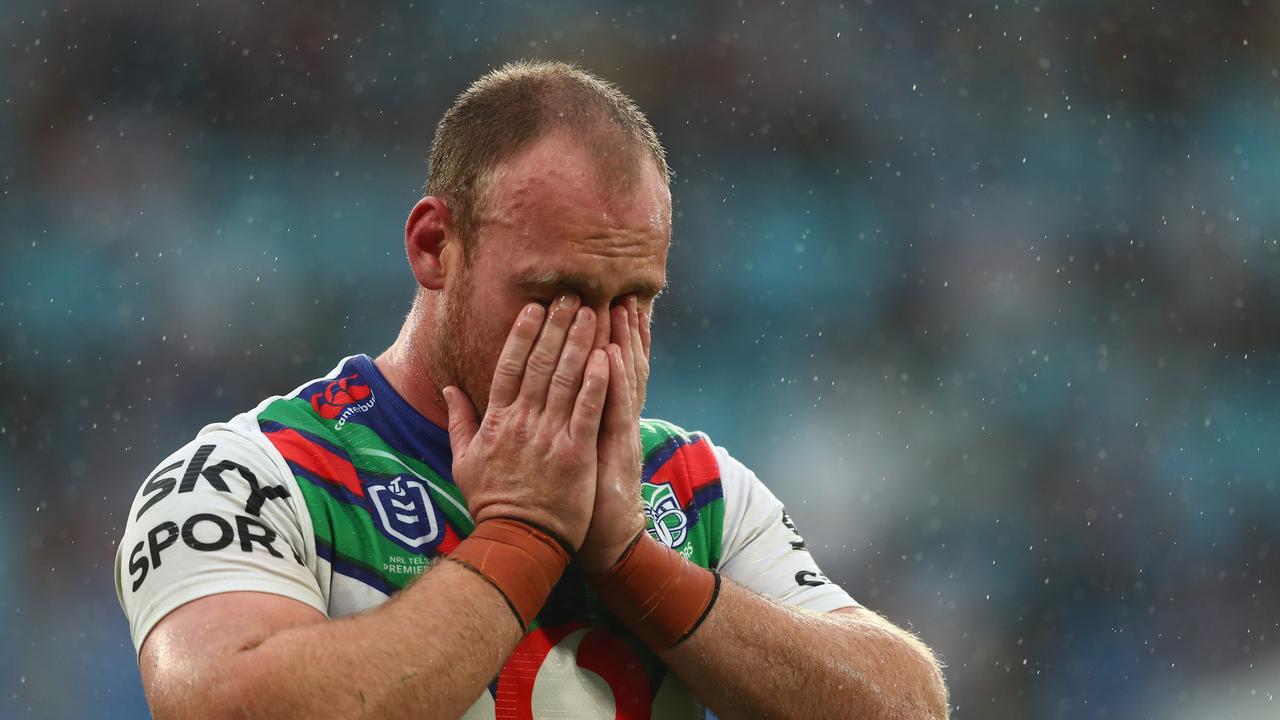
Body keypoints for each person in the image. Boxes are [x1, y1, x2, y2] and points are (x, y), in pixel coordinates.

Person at [114, 59, 949, 719]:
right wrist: (522, 539)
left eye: (634, 301)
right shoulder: (258, 476)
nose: (596, 348)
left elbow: (907, 707)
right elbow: (229, 709)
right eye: (557, 297)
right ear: (436, 245)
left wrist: (635, 563)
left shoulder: (695, 492)